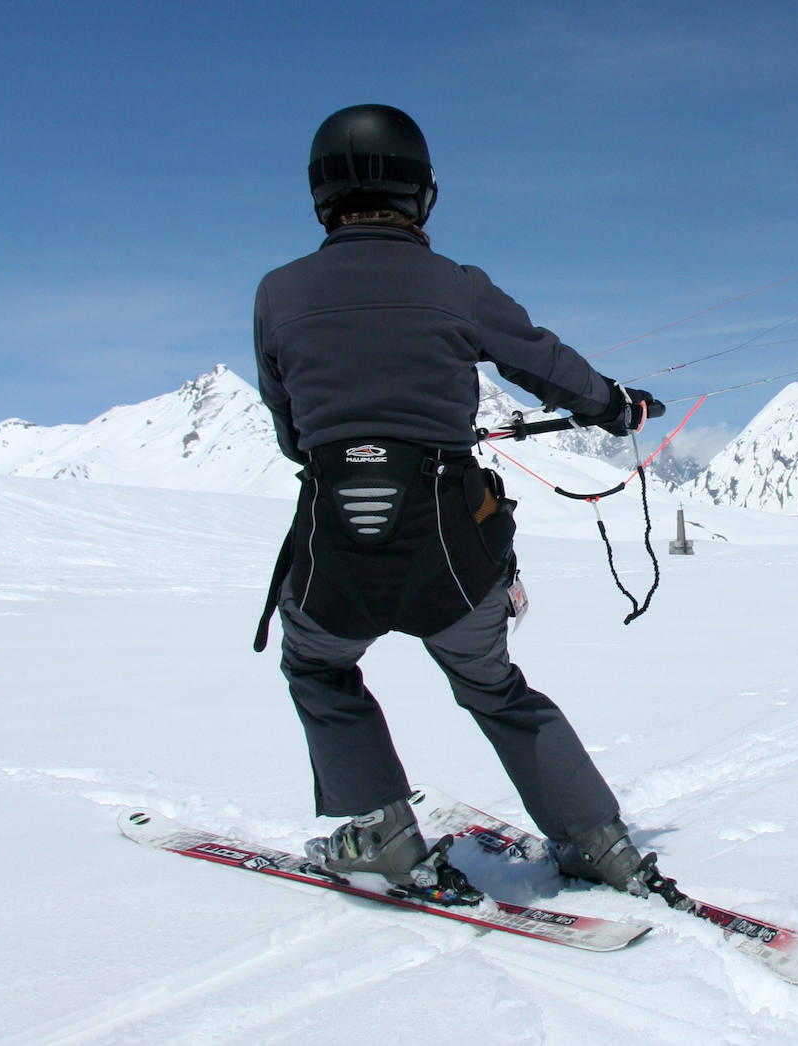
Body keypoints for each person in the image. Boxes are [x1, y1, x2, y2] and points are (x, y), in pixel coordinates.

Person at [252, 104, 663, 897]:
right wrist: (617, 406)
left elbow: (293, 437)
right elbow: (549, 365)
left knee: (316, 665)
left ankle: (380, 831)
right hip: (453, 546)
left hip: (335, 550)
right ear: (421, 194)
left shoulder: (277, 294)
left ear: (319, 194)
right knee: (493, 686)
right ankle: (598, 843)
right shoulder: (456, 286)